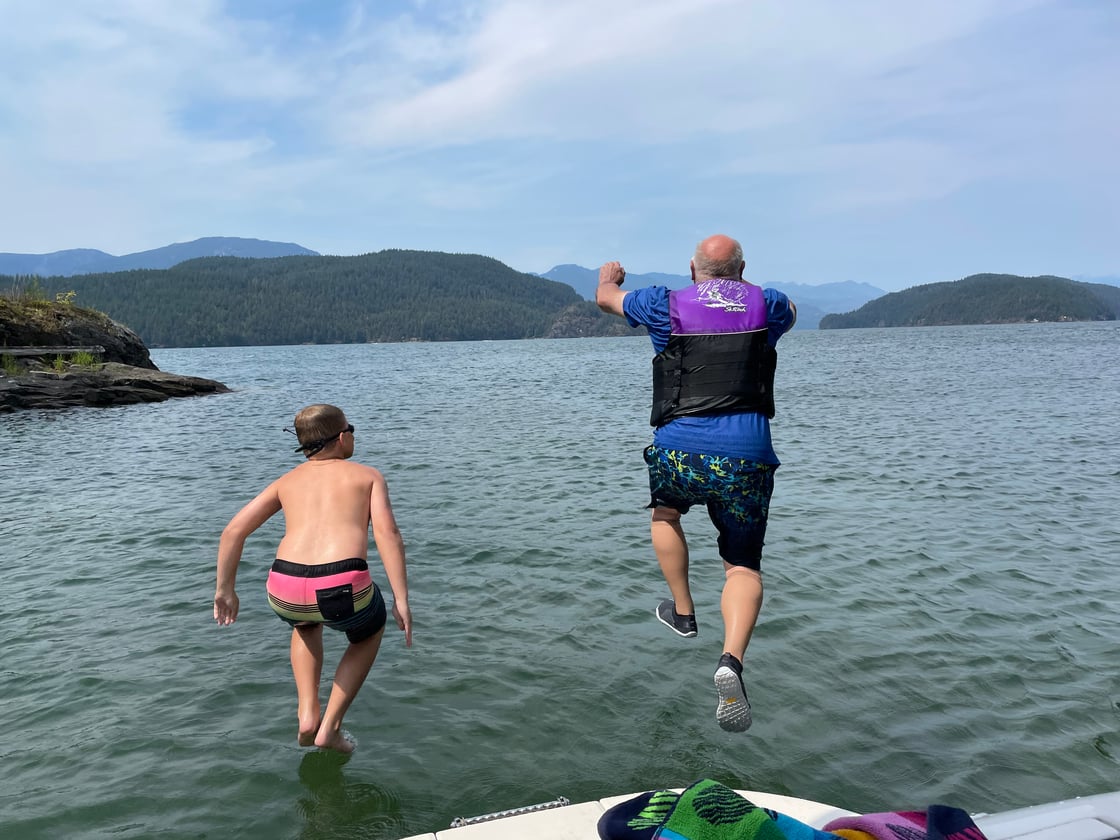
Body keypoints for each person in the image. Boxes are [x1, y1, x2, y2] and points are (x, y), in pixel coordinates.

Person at [596, 234, 796, 733]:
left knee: (665, 514)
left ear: (691, 268)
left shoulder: (662, 304)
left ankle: (683, 612)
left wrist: (609, 278)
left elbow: (606, 299)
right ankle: (731, 661)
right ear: (743, 269)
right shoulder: (767, 304)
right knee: (742, 568)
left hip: (678, 451)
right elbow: (790, 309)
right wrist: (739, 288)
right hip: (746, 457)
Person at [213, 403, 412, 753]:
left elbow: (232, 531)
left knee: (305, 625)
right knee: (370, 629)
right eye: (352, 429)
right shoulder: (368, 476)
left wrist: (225, 590)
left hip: (283, 587)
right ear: (342, 437)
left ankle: (307, 714)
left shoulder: (286, 481)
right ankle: (330, 728)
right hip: (340, 585)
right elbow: (387, 534)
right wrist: (401, 599)